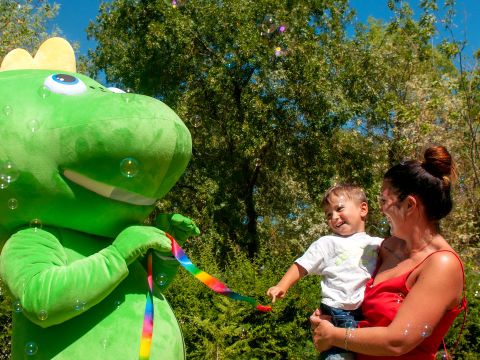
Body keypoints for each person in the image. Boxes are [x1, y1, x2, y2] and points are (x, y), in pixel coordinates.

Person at [310, 146, 466, 359]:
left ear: (409, 205)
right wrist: (329, 317)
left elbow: (397, 341)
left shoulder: (442, 264)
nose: (380, 209)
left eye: (384, 201)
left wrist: (334, 335)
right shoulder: (384, 249)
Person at [267, 184, 383, 360]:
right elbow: (302, 265)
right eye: (329, 215)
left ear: (363, 209)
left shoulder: (379, 244)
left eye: (339, 209)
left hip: (367, 315)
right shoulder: (327, 243)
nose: (334, 217)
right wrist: (282, 285)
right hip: (335, 315)